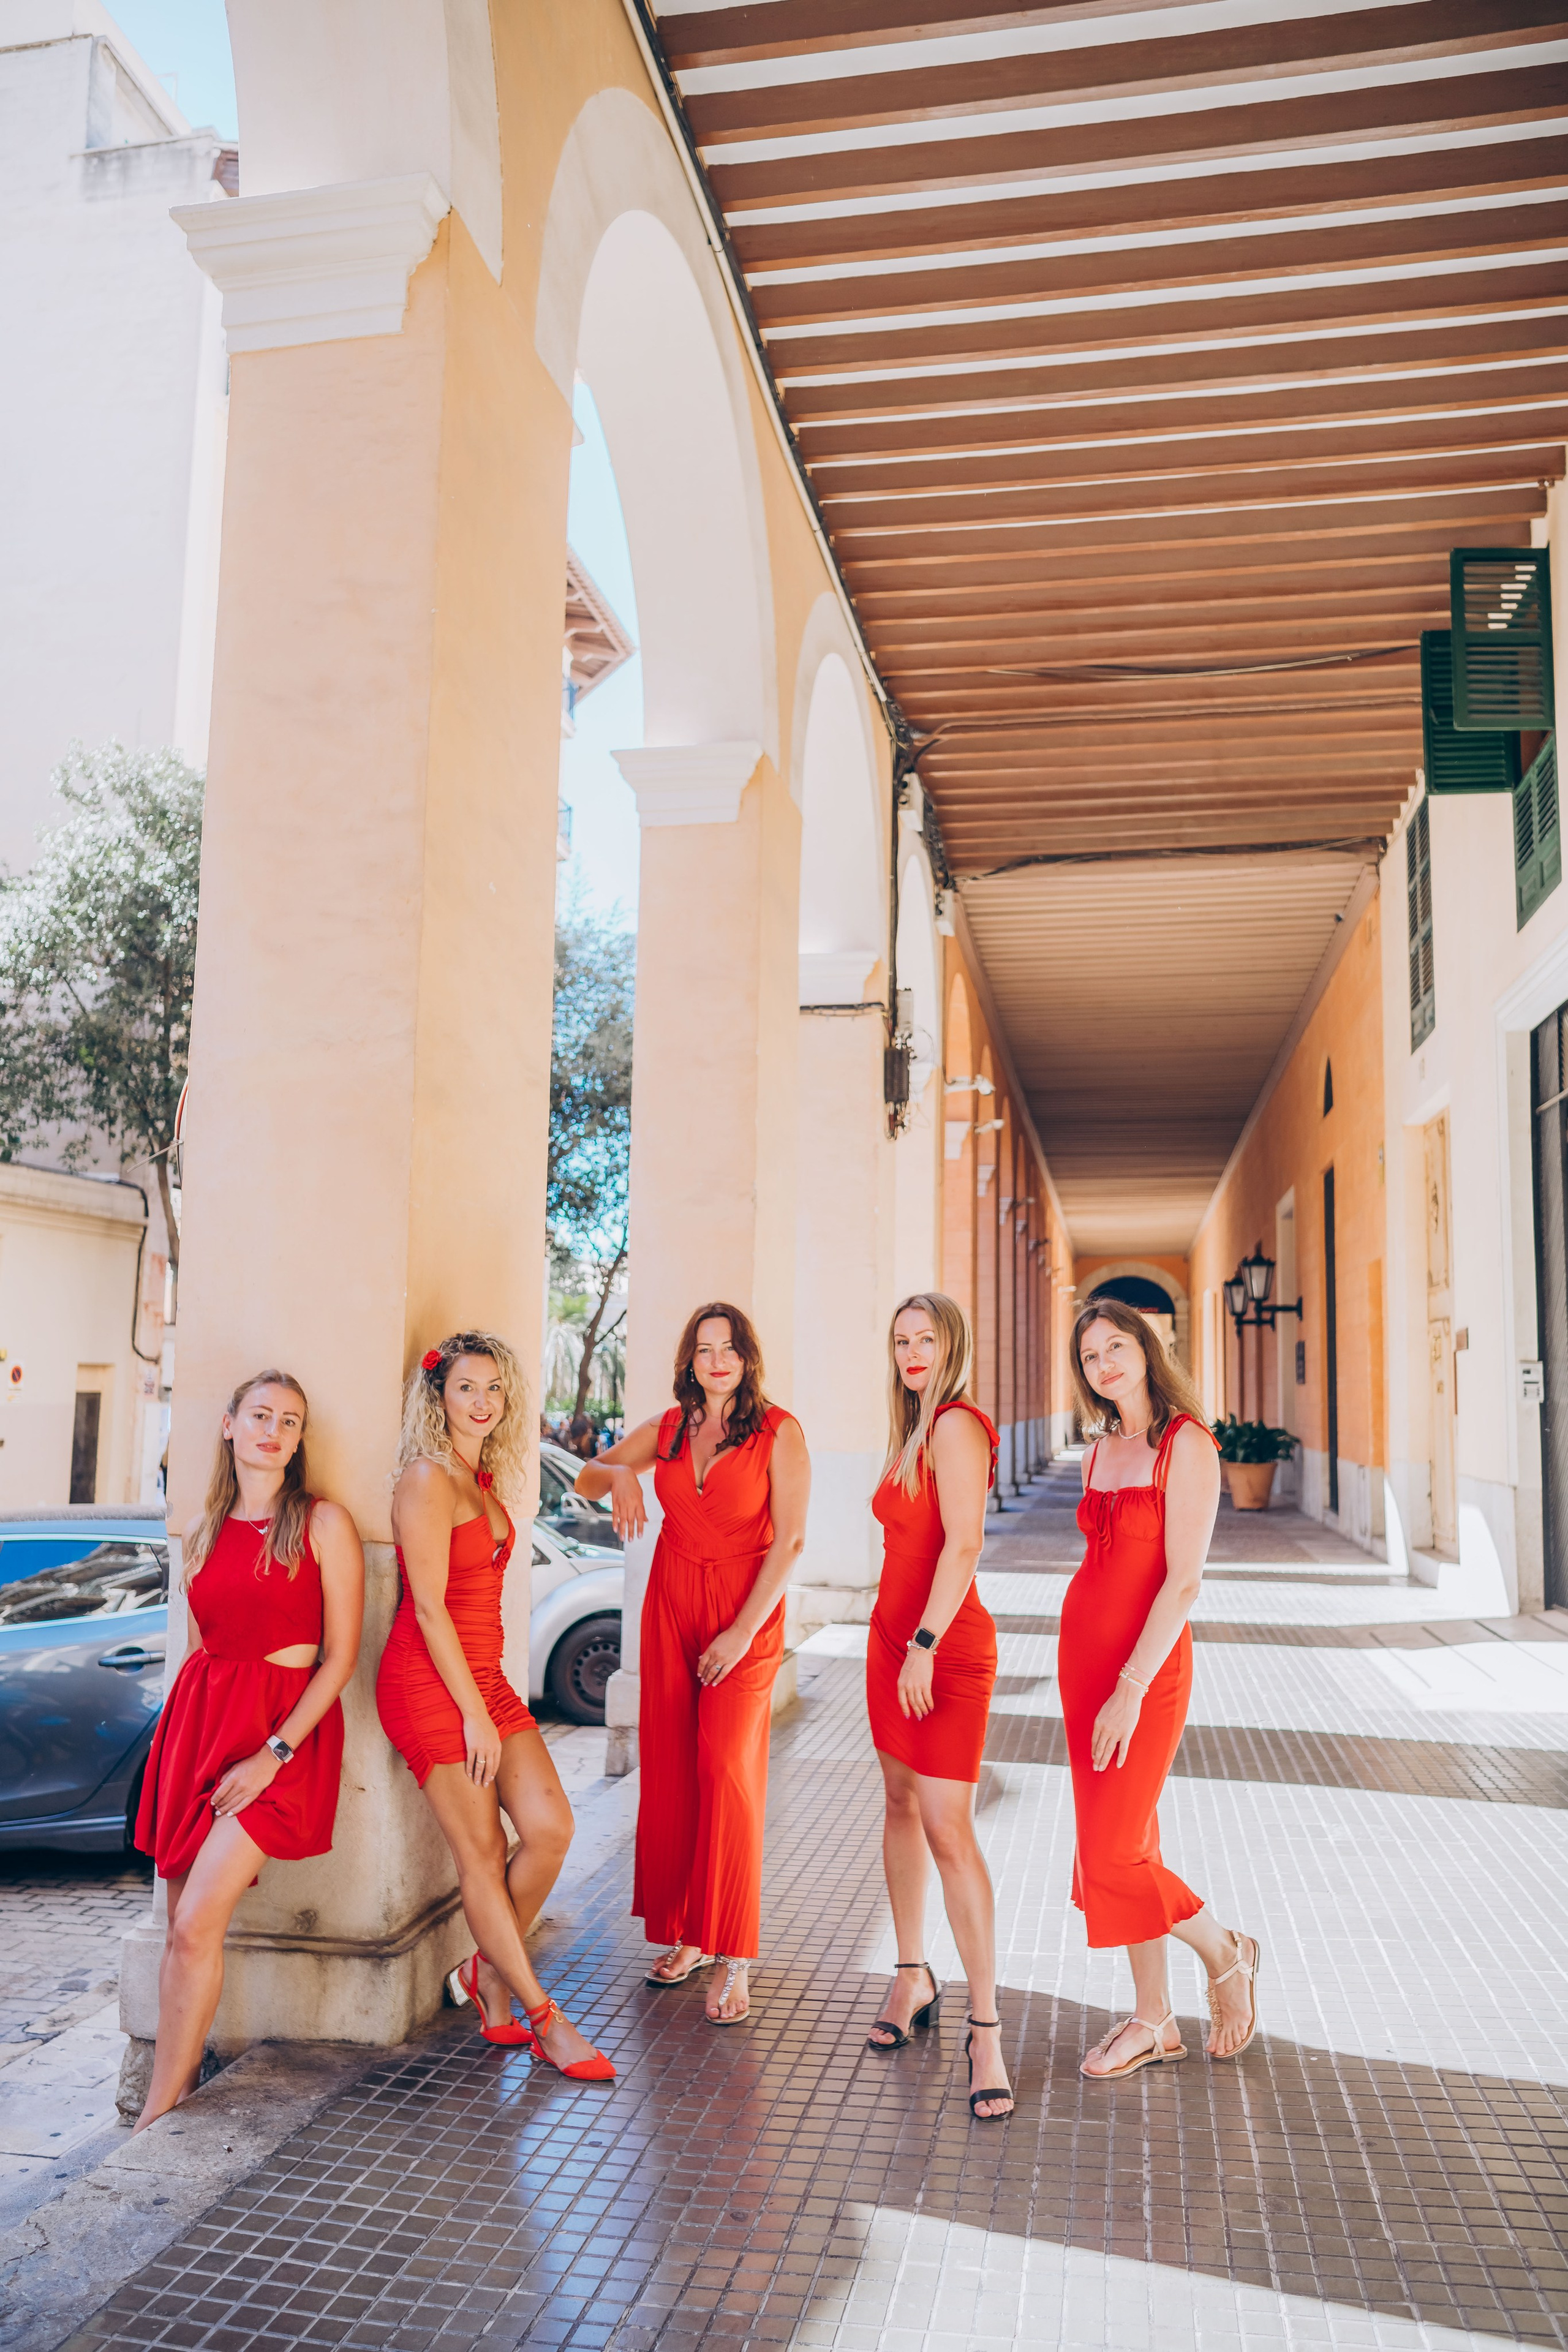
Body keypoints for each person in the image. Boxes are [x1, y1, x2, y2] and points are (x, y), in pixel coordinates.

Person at [377, 1331, 612, 2080]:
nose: (481, 1403)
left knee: (551, 1827)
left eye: (494, 1389)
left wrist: (487, 1699)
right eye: (465, 1388)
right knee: (479, 1856)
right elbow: (429, 1612)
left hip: (485, 1677)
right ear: (438, 1397)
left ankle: (484, 1973)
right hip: (431, 1681)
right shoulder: (426, 1478)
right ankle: (544, 2017)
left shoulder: (480, 1481)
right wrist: (473, 1712)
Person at [132, 1371, 364, 2132]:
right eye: (260, 1415)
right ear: (229, 1426)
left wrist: (274, 1752)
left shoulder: (322, 1523)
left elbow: (339, 1659)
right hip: (198, 1733)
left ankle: (156, 2116)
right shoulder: (203, 1529)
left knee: (198, 1921)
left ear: (299, 1439)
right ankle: (176, 2084)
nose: (274, 1430)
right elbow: (203, 1652)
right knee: (180, 1929)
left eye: (290, 1421)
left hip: (279, 1745)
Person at [578, 1303, 809, 2024]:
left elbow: (791, 1542)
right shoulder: (670, 1428)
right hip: (671, 1608)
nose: (716, 1360)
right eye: (704, 1349)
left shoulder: (780, 1431)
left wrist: (743, 1631)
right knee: (674, 1768)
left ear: (747, 1356)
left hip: (744, 1618)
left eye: (729, 1347)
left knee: (728, 1773)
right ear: (689, 1360)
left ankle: (734, 1952)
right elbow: (586, 1477)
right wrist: (617, 1477)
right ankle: (688, 1934)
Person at [1064, 1295, 1261, 2078]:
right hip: (1082, 1667)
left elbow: (1182, 1585)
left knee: (1110, 1854)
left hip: (1143, 1672)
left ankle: (1225, 1951)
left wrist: (1130, 1686)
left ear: (1146, 1350)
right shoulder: (1097, 1449)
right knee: (1125, 1841)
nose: (1104, 1364)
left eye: (1116, 1347)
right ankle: (1154, 2019)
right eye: (1089, 1356)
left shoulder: (1189, 1445)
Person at [864, 1294, 1014, 2123]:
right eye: (900, 1341)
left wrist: (923, 1640)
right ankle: (912, 1972)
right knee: (898, 1804)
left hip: (943, 1650)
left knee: (949, 1828)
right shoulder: (912, 1427)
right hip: (891, 1649)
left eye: (926, 1339)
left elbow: (964, 1542)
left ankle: (985, 2026)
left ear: (951, 1346)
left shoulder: (957, 1422)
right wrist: (898, 1644)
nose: (913, 1352)